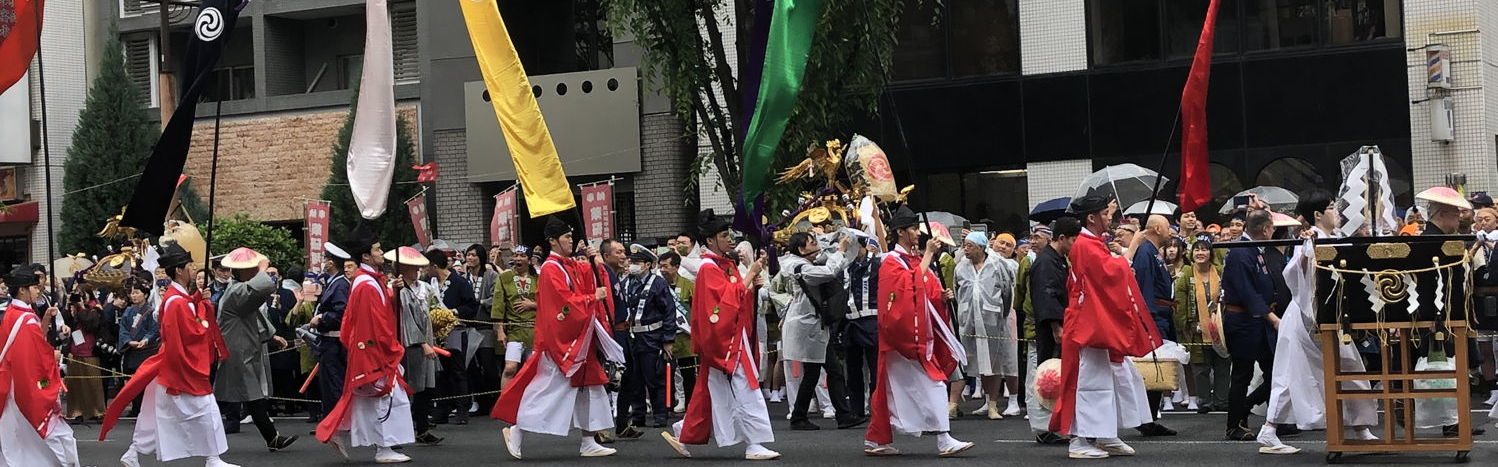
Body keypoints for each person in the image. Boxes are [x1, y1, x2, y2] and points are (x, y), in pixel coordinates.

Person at [1256, 190, 1379, 454]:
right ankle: (1268, 430)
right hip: (1303, 317)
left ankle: (1361, 427)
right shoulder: (1309, 240)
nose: (1336, 213)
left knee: (1350, 367)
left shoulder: (1333, 239)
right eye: (1332, 208)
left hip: (1329, 316)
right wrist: (1305, 253)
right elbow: (1293, 272)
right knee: (1290, 373)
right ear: (1318, 214)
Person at [492, 216, 622, 459]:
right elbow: (562, 306)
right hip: (560, 343)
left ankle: (588, 439)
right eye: (566, 238)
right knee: (548, 392)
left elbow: (590, 273)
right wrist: (592, 297)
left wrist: (595, 259)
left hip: (578, 341)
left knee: (590, 390)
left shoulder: (566, 264)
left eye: (571, 237)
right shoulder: (552, 269)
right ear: (553, 241)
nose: (570, 241)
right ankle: (517, 430)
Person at [102, 241, 236, 467]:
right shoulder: (175, 301)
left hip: (172, 365)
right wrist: (202, 307)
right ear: (179, 271)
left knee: (157, 415)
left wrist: (197, 301)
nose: (194, 270)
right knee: (205, 411)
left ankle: (133, 453)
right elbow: (193, 331)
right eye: (191, 266)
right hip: (180, 367)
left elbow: (187, 319)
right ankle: (212, 458)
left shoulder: (178, 298)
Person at [1048, 196, 1162, 460]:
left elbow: (1110, 273)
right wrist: (1132, 247)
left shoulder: (1090, 243)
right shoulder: (1085, 245)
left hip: (1096, 320)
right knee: (1091, 382)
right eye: (1106, 213)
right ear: (1092, 217)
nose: (1110, 217)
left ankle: (1106, 434)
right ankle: (1079, 440)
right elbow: (1111, 273)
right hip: (1089, 324)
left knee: (1115, 377)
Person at [661, 209, 780, 460]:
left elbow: (735, 294)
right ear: (711, 241)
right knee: (747, 387)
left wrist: (751, 283)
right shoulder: (708, 268)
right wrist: (749, 275)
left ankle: (683, 431)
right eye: (724, 236)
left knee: (710, 392)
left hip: (730, 336)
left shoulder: (723, 264)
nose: (730, 239)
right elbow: (719, 306)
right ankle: (754, 443)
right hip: (726, 339)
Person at [861, 205, 975, 457]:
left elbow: (922, 290)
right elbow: (904, 290)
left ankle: (877, 439)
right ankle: (943, 439)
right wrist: (927, 256)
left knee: (893, 390)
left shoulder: (911, 260)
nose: (917, 232)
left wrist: (939, 297)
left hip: (913, 335)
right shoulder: (891, 260)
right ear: (900, 232)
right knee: (931, 384)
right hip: (903, 336)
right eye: (913, 228)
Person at [314, 225, 415, 464]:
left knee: (365, 401)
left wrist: (391, 293)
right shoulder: (367, 284)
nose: (382, 253)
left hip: (367, 351)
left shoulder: (366, 282)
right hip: (374, 352)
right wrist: (389, 350)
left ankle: (339, 431)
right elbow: (375, 326)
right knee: (386, 400)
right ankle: (383, 448)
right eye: (378, 249)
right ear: (367, 256)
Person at [212, 247, 296, 449]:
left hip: (241, 350)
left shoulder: (236, 291)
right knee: (249, 396)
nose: (255, 272)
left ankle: (272, 438)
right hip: (238, 352)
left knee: (248, 396)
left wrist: (270, 335)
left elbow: (253, 315)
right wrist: (263, 270)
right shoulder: (235, 291)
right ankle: (271, 438)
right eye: (252, 269)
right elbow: (260, 288)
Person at [780, 231, 864, 431]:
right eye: (812, 243)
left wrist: (838, 249)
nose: (816, 245)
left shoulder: (804, 263)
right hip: (807, 325)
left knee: (817, 372)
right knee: (827, 371)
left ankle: (804, 415)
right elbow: (828, 272)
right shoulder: (799, 266)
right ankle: (837, 415)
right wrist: (840, 250)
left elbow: (834, 265)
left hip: (812, 326)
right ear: (801, 249)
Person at [0, 264, 80, 467]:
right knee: (53, 436)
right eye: (35, 287)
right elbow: (31, 356)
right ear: (22, 289)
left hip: (13, 383)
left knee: (19, 438)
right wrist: (51, 356)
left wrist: (44, 319)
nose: (39, 290)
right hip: (25, 384)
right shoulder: (24, 318)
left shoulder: (13, 312)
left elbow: (32, 344)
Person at [1222, 209, 1282, 441]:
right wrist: (1271, 316)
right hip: (1244, 321)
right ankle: (1233, 424)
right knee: (1242, 374)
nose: (1273, 232)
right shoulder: (1240, 252)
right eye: (1271, 228)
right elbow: (1247, 291)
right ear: (1265, 229)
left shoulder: (1255, 250)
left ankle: (1247, 407)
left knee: (1275, 371)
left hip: (1258, 321)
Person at [950, 231, 1018, 420]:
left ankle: (993, 405)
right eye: (965, 245)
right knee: (967, 361)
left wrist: (1002, 315)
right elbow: (957, 290)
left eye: (970, 246)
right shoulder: (961, 267)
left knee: (993, 363)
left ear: (981, 247)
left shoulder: (998, 265)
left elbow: (1007, 292)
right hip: (969, 322)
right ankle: (955, 404)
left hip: (993, 320)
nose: (966, 249)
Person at [615, 245, 679, 433]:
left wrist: (668, 339)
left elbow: (669, 311)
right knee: (634, 377)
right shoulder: (626, 282)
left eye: (637, 262)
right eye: (631, 261)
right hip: (632, 335)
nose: (633, 265)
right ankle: (638, 414)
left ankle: (660, 414)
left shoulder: (657, 283)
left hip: (652, 335)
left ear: (648, 265)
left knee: (654, 376)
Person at [1026, 217, 1078, 445]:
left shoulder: (1058, 259)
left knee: (1057, 376)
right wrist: (1056, 325)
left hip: (1060, 324)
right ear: (1062, 238)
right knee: (1046, 377)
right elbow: (1045, 295)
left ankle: (1054, 424)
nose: (1075, 245)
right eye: (1073, 240)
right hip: (1051, 328)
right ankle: (1042, 428)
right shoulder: (1046, 262)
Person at [1127, 215, 1178, 436]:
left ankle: (1149, 415)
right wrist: (1146, 319)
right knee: (1153, 366)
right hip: (1153, 315)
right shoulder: (1146, 252)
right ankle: (1145, 417)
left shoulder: (1155, 252)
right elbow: (1143, 287)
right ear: (1157, 228)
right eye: (1167, 227)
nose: (1171, 231)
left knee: (1158, 366)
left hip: (1163, 313)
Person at [1173, 236, 1230, 415]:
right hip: (1196, 329)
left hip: (1221, 327)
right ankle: (1204, 401)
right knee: (1200, 368)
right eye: (1197, 250)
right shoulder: (1186, 275)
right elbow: (1179, 304)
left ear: (1210, 252)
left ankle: (1222, 400)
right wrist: (1188, 325)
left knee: (1222, 364)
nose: (1200, 253)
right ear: (1192, 253)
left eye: (1204, 249)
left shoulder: (1220, 271)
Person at [393, 248, 442, 445]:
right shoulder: (402, 291)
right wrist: (422, 343)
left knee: (424, 387)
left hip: (425, 340)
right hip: (413, 344)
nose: (418, 271)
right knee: (414, 386)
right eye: (413, 268)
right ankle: (414, 428)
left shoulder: (420, 287)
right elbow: (407, 321)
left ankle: (422, 428)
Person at [427, 250, 478, 426]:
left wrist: (453, 312)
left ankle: (462, 408)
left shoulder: (460, 282)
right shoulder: (428, 283)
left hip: (455, 330)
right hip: (435, 332)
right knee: (440, 373)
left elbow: (471, 306)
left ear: (434, 266)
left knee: (457, 370)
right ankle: (441, 408)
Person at [312, 242, 353, 422]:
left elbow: (341, 312)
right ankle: (333, 419)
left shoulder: (340, 285)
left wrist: (321, 318)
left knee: (335, 382)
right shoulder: (334, 283)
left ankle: (338, 420)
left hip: (335, 342)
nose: (324, 262)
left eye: (326, 259)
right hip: (328, 341)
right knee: (329, 382)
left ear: (332, 262)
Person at [843, 237, 881, 419]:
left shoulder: (876, 262)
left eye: (853, 245)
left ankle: (877, 407)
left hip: (871, 319)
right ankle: (856, 409)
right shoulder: (845, 265)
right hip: (850, 321)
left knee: (876, 369)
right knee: (853, 369)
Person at [460, 244, 501, 412]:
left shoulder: (491, 275)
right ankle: (478, 399)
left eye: (474, 255)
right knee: (471, 366)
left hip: (485, 326)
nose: (470, 258)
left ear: (481, 258)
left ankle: (494, 399)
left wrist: (482, 302)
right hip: (469, 326)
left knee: (488, 365)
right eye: (468, 255)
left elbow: (497, 297)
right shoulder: (463, 278)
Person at [494, 246, 539, 389]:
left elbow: (550, 301)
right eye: (516, 255)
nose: (518, 259)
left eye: (522, 256)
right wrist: (500, 331)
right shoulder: (505, 277)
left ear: (530, 260)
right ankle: (505, 405)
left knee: (532, 370)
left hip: (534, 331)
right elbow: (498, 305)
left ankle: (531, 405)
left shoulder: (538, 278)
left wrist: (533, 305)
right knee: (510, 368)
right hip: (514, 331)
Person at [659, 252, 698, 412]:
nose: (662, 270)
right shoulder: (658, 285)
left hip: (686, 337)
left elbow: (695, 310)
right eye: (660, 266)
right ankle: (667, 406)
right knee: (666, 373)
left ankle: (691, 406)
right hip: (666, 336)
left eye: (665, 266)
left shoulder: (689, 285)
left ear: (676, 267)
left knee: (688, 374)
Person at [117, 283, 160, 417]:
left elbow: (154, 329)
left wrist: (145, 340)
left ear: (145, 295)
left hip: (146, 351)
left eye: (137, 292)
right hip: (132, 350)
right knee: (132, 381)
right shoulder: (128, 311)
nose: (134, 296)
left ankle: (145, 409)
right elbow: (123, 329)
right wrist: (129, 341)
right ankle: (136, 408)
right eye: (132, 293)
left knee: (146, 383)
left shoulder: (151, 311)